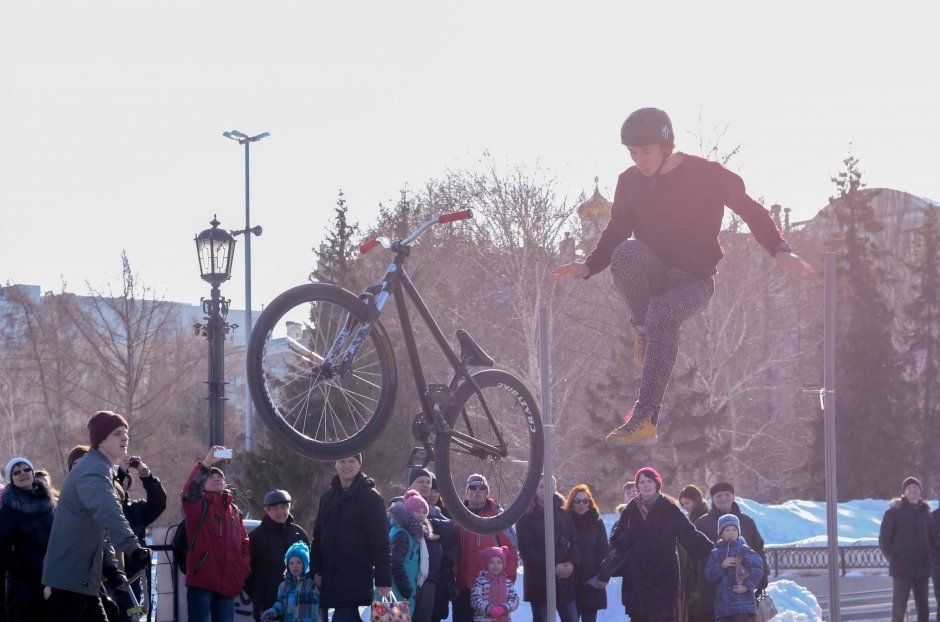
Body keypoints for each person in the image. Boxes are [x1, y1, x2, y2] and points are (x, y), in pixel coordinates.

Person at [553, 107, 813, 444]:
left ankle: (645, 417)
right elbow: (617, 229)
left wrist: (779, 248)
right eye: (632, 154)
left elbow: (751, 211)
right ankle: (642, 327)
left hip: (694, 282)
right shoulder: (629, 182)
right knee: (627, 253)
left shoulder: (707, 174)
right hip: (654, 272)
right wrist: (588, 266)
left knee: (664, 311)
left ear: (666, 146)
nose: (639, 161)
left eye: (645, 152)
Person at [42, 411, 152, 622]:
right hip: (71, 575)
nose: (125, 438)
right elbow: (109, 513)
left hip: (81, 576)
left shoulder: (99, 468)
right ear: (101, 440)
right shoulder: (92, 470)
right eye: (118, 433)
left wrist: (110, 566)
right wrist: (133, 548)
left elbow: (97, 529)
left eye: (126, 433)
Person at [598, 467, 712, 622]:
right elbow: (615, 541)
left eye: (649, 481)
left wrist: (712, 551)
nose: (646, 485)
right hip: (637, 579)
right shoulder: (630, 510)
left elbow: (689, 534)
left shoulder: (669, 508)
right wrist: (630, 535)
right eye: (642, 482)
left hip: (663, 578)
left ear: (657, 483)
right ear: (637, 486)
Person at [310, 455, 391, 622]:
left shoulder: (371, 498)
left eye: (352, 461)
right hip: (330, 578)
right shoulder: (327, 497)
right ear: (335, 464)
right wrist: (316, 570)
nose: (346, 465)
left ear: (360, 464)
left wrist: (384, 580)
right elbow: (318, 537)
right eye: (342, 461)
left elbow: (380, 541)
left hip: (356, 577)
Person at [181, 446, 251, 622]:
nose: (216, 478)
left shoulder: (234, 511)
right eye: (211, 476)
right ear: (203, 482)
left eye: (220, 476)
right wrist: (206, 464)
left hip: (229, 584)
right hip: (202, 583)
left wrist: (242, 569)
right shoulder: (196, 506)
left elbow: (244, 543)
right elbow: (190, 493)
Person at [694, 482, 768, 622]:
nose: (723, 498)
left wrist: (762, 578)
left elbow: (758, 549)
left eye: (727, 495)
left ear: (733, 497)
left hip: (742, 592)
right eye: (719, 495)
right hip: (712, 590)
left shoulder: (746, 521)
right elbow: (694, 555)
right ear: (712, 499)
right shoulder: (702, 524)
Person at [453, 475, 519, 622]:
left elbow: (511, 551)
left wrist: (505, 584)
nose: (477, 490)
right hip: (463, 587)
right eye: (473, 487)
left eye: (482, 488)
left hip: (489, 590)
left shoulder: (498, 517)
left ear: (487, 492)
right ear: (466, 492)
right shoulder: (457, 516)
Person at [516, 475, 580, 622]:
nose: (546, 490)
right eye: (541, 486)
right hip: (540, 583)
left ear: (555, 487)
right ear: (535, 489)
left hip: (565, 581)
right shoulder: (526, 517)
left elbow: (575, 542)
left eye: (549, 486)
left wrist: (571, 564)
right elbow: (527, 552)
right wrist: (553, 566)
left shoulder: (563, 514)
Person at [112, 454, 167, 622]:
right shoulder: (98, 508)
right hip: (106, 578)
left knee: (132, 618)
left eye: (126, 480)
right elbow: (109, 491)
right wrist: (119, 472)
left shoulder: (137, 509)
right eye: (120, 479)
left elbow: (159, 502)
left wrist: (145, 475)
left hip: (134, 579)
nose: (123, 483)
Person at [0, 457, 55, 622]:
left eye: (26, 469)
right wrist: (26, 568)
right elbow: (1, 549)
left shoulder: (50, 505)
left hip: (57, 578)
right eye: (16, 472)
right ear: (11, 479)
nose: (22, 474)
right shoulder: (8, 512)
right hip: (25, 589)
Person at [247, 489, 309, 621]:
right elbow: (247, 572)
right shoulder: (256, 537)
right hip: (268, 604)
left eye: (284, 507)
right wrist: (258, 596)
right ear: (266, 510)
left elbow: (309, 566)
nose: (280, 512)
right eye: (275, 508)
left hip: (299, 602)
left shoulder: (299, 533)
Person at [878, 476, 934, 622]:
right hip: (902, 569)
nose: (913, 490)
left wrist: (929, 559)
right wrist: (894, 559)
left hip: (922, 568)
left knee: (924, 611)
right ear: (904, 492)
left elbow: (932, 540)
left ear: (920, 491)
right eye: (909, 488)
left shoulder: (926, 514)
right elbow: (884, 541)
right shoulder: (893, 513)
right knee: (898, 611)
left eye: (915, 487)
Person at [402, 468, 455, 622]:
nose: (425, 485)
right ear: (410, 484)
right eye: (420, 481)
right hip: (401, 578)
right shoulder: (398, 504)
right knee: (393, 618)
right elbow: (402, 522)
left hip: (428, 578)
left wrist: (428, 524)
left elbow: (451, 528)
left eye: (428, 482)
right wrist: (430, 531)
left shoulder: (434, 510)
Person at [704, 514, 764, 622]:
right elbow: (709, 575)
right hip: (723, 606)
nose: (731, 533)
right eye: (727, 530)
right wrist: (722, 566)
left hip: (743, 604)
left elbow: (757, 570)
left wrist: (746, 586)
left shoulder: (744, 550)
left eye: (734, 530)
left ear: (738, 532)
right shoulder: (715, 553)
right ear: (721, 533)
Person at [563, 485, 607, 622]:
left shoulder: (597, 523)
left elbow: (604, 550)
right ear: (571, 503)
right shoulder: (564, 523)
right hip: (570, 581)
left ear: (590, 502)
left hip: (591, 581)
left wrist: (604, 575)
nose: (581, 504)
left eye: (585, 501)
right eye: (577, 501)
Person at [388, 489, 434, 614]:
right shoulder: (402, 534)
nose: (421, 514)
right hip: (394, 593)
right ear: (408, 512)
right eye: (417, 511)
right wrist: (406, 588)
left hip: (402, 593)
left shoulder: (413, 534)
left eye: (424, 512)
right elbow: (395, 562)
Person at [261, 541, 319, 622]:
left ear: (305, 564)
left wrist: (319, 583)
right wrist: (273, 611)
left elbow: (320, 595)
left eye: (299, 562)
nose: (295, 566)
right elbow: (281, 604)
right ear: (288, 566)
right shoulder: (283, 586)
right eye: (291, 563)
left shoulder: (311, 585)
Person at [677, 484, 709, 622]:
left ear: (697, 500)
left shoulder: (701, 520)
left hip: (699, 572)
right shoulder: (690, 518)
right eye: (683, 504)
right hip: (691, 572)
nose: (685, 507)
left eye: (687, 503)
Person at [470, 546, 519, 622]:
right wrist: (489, 608)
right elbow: (475, 599)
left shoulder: (507, 583)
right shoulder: (481, 581)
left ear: (503, 564)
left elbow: (515, 599)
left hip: (504, 619)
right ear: (486, 564)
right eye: (491, 562)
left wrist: (504, 608)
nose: (495, 565)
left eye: (499, 562)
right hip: (483, 619)